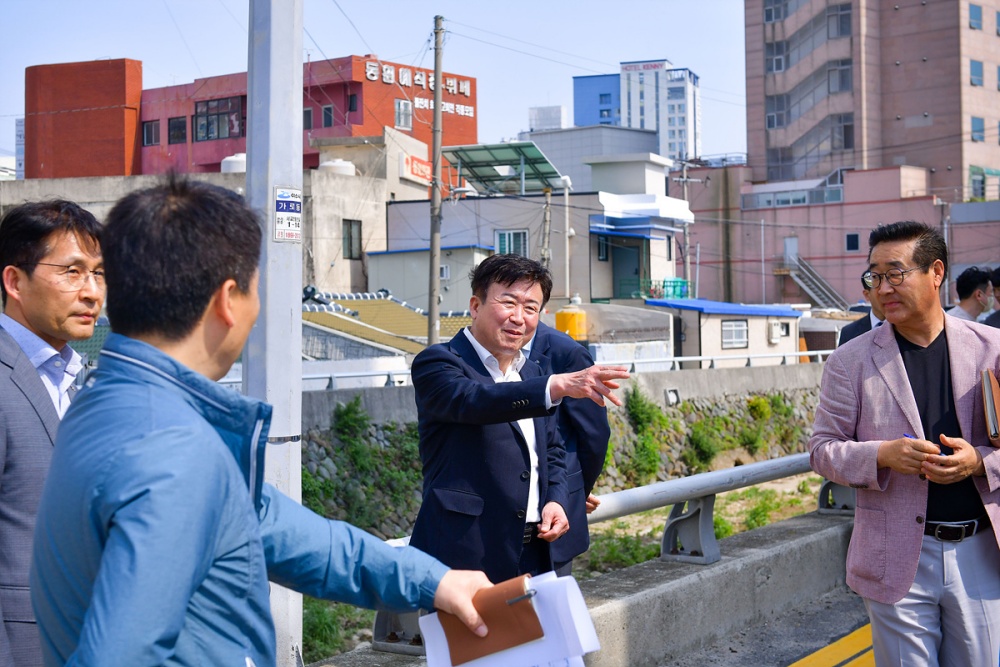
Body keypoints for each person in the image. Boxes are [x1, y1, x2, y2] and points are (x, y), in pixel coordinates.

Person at [30, 177, 491, 667]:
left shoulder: (107, 400)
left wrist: (433, 580)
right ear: (228, 300)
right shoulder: (174, 450)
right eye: (256, 288)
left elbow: (286, 533)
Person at [810, 220, 1000, 666]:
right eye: (874, 276)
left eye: (895, 273)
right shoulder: (849, 360)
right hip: (893, 555)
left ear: (936, 272)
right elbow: (823, 449)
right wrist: (881, 455)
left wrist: (979, 463)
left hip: (981, 550)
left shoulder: (992, 348)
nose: (882, 287)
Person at [409, 254, 629, 584]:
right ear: (475, 305)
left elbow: (552, 450)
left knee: (544, 638)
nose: (518, 318)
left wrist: (556, 500)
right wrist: (557, 385)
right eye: (508, 302)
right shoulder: (438, 363)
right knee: (474, 638)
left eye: (530, 308)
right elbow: (475, 401)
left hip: (537, 551)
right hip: (466, 553)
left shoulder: (531, 370)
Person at [0, 200, 104, 667]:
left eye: (99, 273)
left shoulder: (77, 378)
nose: (92, 292)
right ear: (14, 281)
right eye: (73, 271)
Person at [525, 320, 611, 575]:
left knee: (550, 608)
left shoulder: (566, 351)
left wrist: (574, 494)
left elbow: (593, 434)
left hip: (553, 512)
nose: (517, 316)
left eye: (529, 305)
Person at [838, 274, 886, 346]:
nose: (886, 293)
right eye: (879, 291)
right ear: (867, 295)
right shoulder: (849, 333)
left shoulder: (904, 327)